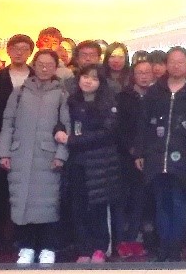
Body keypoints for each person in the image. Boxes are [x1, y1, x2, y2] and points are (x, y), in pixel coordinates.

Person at [0, 49, 70, 265]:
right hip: (20, 155)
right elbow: (8, 123)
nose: (44, 68)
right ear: (34, 65)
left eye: (49, 65)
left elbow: (66, 127)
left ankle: (48, 247)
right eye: (40, 64)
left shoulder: (62, 94)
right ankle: (26, 246)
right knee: (22, 202)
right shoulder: (20, 92)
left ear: (56, 67)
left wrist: (61, 154)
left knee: (49, 204)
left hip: (48, 157)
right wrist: (4, 152)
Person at [136, 46, 186, 261]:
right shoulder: (155, 91)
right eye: (172, 61)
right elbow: (143, 124)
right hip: (156, 157)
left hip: (183, 158)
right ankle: (163, 247)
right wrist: (140, 152)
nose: (176, 65)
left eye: (180, 62)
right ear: (166, 64)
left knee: (179, 203)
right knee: (161, 203)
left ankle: (175, 247)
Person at [0, 33, 34, 255]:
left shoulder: (37, 78)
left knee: (25, 190)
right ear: (8, 51)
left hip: (29, 142)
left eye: (24, 49)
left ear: (30, 52)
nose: (19, 52)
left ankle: (22, 237)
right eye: (15, 48)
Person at [65, 64, 120, 263]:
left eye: (94, 78)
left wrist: (74, 140)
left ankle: (100, 248)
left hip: (101, 163)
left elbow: (107, 133)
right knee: (78, 207)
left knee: (99, 207)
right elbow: (62, 123)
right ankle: (83, 249)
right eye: (85, 77)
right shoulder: (71, 101)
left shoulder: (109, 103)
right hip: (77, 162)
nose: (88, 81)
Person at [114, 60, 154, 258]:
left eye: (147, 72)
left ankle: (136, 238)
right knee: (123, 199)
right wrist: (133, 150)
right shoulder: (123, 97)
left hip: (150, 157)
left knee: (141, 200)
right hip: (125, 157)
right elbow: (119, 128)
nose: (144, 76)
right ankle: (121, 240)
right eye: (140, 72)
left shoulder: (157, 96)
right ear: (133, 75)